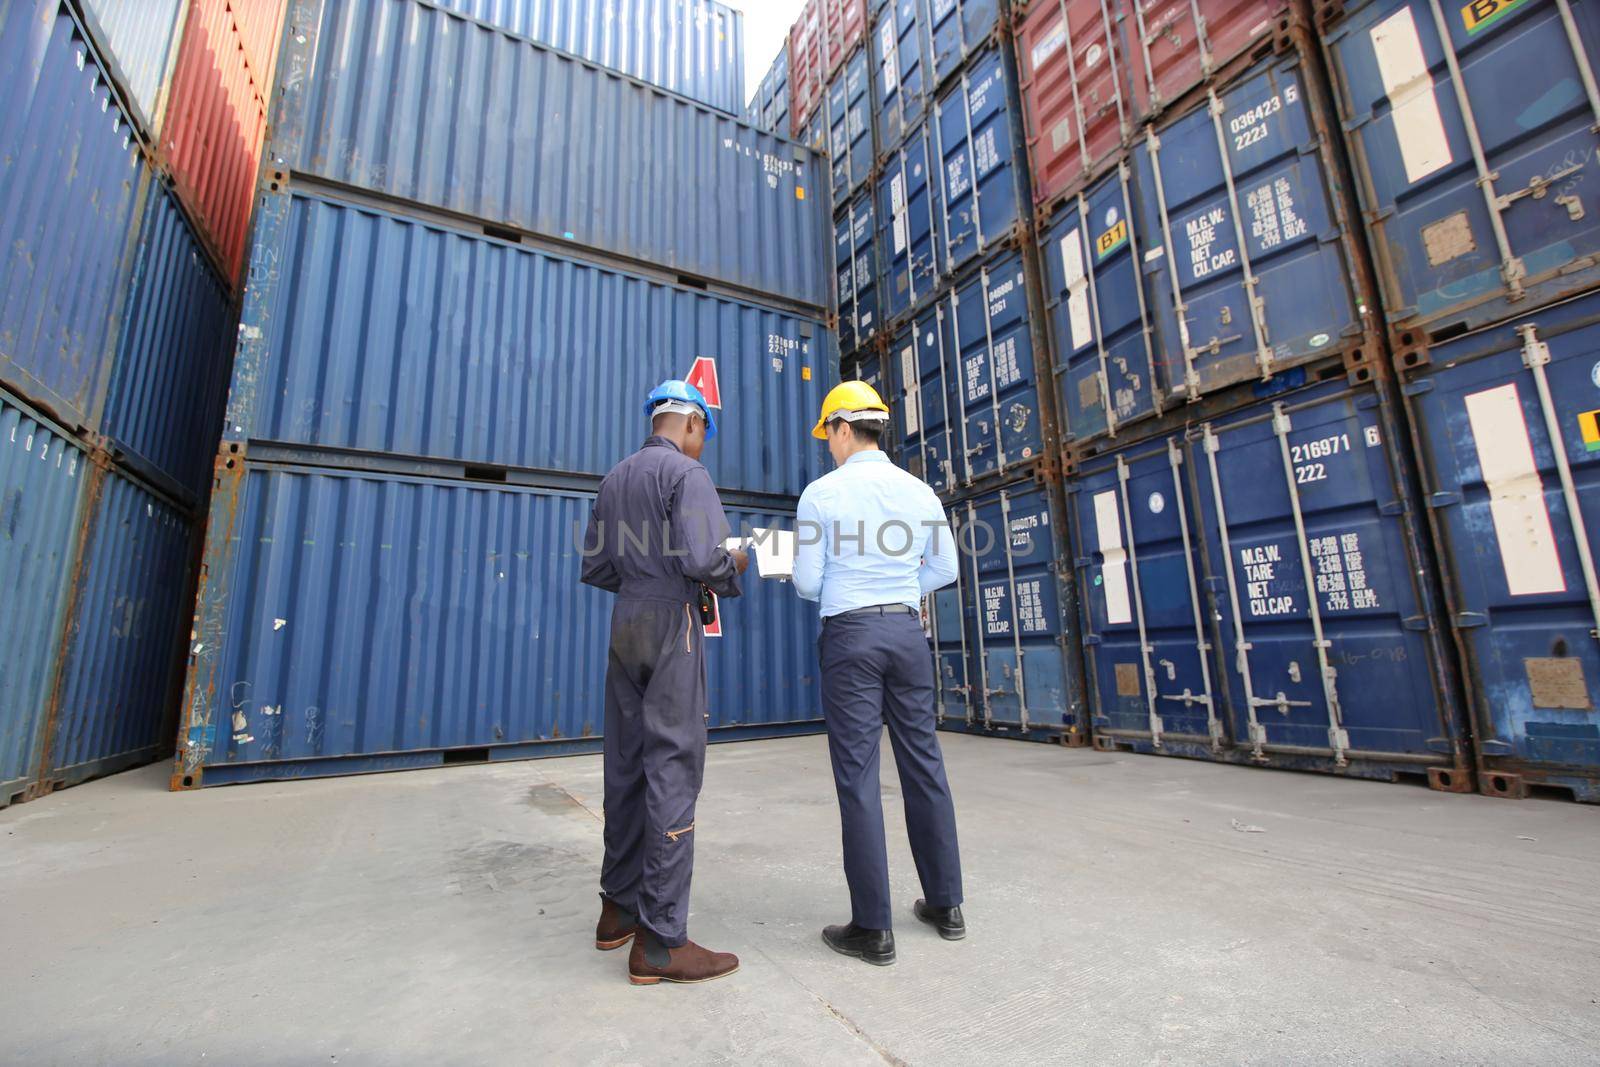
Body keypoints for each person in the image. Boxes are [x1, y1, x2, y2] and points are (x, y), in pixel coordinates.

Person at [580, 379, 749, 986]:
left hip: (625, 622)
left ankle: (616, 910)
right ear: (692, 425)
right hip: (671, 624)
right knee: (673, 766)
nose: (702, 446)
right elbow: (705, 560)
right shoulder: (688, 476)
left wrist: (641, 575)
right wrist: (739, 561)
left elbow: (596, 566)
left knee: (626, 765)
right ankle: (660, 942)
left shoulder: (615, 477)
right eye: (703, 435)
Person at [791, 380, 966, 967]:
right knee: (924, 765)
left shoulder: (821, 494)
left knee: (859, 778)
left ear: (843, 428)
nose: (829, 447)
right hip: (907, 635)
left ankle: (873, 928)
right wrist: (897, 589)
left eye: (829, 436)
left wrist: (846, 585)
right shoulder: (920, 492)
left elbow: (810, 583)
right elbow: (944, 567)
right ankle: (946, 906)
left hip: (852, 639)